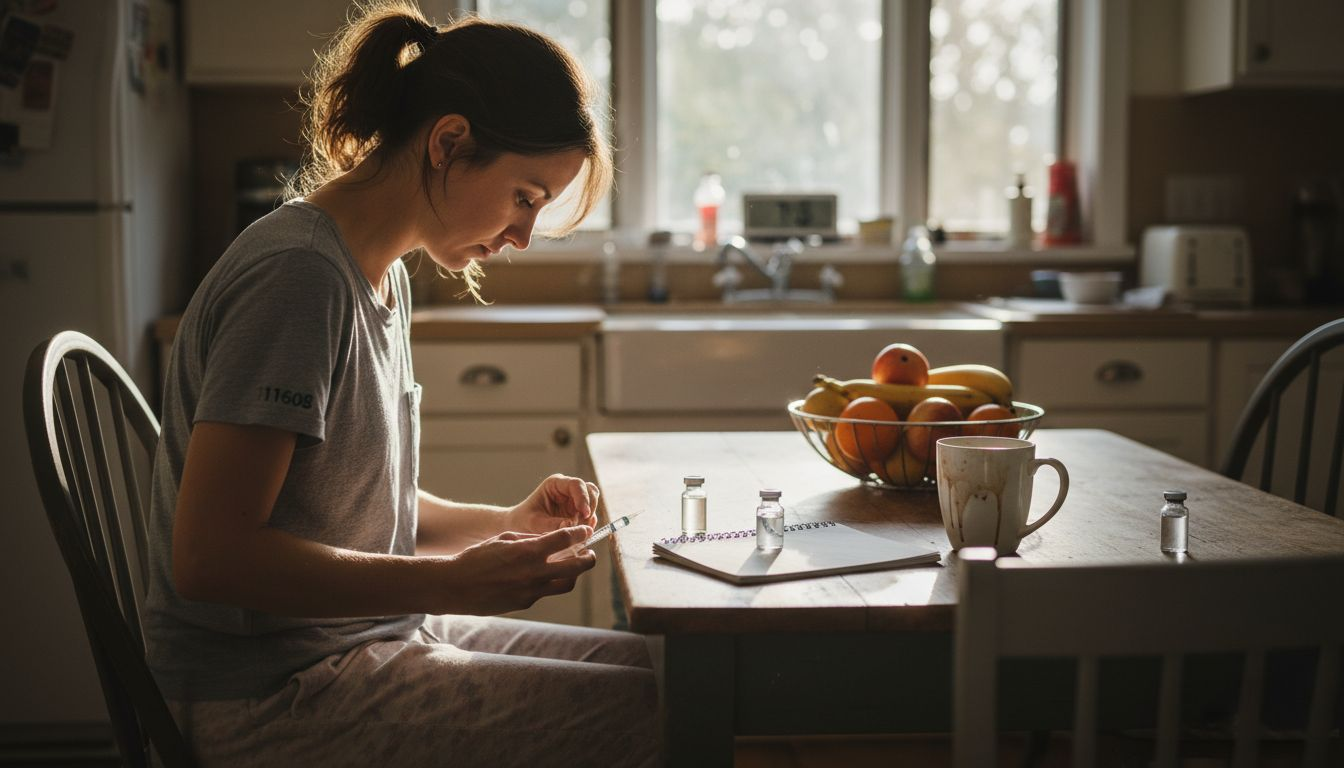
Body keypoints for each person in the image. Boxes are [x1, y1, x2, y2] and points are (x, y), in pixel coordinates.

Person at [143, 2, 659, 765]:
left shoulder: (379, 275)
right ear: (448, 143)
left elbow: (352, 510)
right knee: (658, 715)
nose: (522, 236)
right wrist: (450, 584)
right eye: (525, 197)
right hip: (265, 694)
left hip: (364, 639)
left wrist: (505, 523)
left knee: (666, 673)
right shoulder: (299, 277)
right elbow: (211, 558)